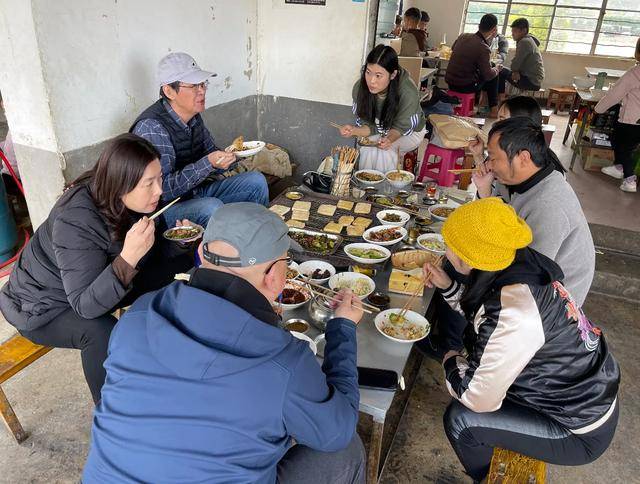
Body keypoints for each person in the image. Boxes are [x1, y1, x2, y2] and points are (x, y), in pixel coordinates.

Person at [82, 203, 366, 484]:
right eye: (285, 261)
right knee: (346, 450)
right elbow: (337, 432)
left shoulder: (140, 312)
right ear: (273, 276)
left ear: (200, 253)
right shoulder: (284, 362)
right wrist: (342, 328)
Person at [422, 198, 620, 482]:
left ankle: (490, 478)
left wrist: (451, 359)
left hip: (577, 427)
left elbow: (477, 397)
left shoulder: (516, 310)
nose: (445, 251)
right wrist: (449, 286)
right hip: (580, 394)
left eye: (450, 245)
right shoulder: (519, 266)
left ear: (470, 257)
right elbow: (485, 317)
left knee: (461, 420)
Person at [0, 134, 194, 403]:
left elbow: (150, 259)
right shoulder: (76, 220)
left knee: (179, 266)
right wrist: (128, 258)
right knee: (101, 332)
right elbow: (86, 306)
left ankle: (170, 362)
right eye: (149, 183)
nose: (159, 190)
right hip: (40, 304)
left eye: (159, 178)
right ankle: (111, 416)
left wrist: (179, 244)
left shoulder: (133, 200)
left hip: (92, 283)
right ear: (121, 183)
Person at [131, 52, 269, 228]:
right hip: (162, 210)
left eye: (203, 84)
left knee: (256, 181)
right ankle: (228, 243)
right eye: (194, 86)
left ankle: (260, 235)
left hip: (194, 192)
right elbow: (163, 190)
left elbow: (212, 154)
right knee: (212, 208)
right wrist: (208, 163)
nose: (202, 91)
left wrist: (234, 155)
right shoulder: (152, 128)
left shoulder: (193, 117)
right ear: (169, 91)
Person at [472, 118, 594, 307]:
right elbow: (499, 218)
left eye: (494, 158)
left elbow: (527, 275)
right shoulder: (530, 179)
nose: (490, 165)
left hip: (552, 305)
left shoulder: (549, 206)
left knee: (463, 284)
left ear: (523, 158)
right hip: (530, 278)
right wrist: (484, 189)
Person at [339, 45, 426, 173]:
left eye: (378, 75)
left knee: (385, 151)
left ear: (393, 74)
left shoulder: (408, 92)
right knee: (368, 148)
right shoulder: (360, 88)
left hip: (409, 132)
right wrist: (353, 130)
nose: (371, 81)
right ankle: (366, 183)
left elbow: (401, 128)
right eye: (368, 72)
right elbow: (369, 125)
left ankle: (384, 185)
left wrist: (389, 140)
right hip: (380, 127)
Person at [595, 37, 640, 193]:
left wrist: (598, 109)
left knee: (623, 147)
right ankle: (619, 167)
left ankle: (629, 180)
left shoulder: (634, 73)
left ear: (637, 52)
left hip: (632, 120)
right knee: (626, 146)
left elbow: (614, 95)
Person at [446, 14, 501, 117]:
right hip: (465, 85)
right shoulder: (483, 47)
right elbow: (488, 75)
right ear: (494, 29)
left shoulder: (463, 36)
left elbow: (453, 48)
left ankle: (479, 104)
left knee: (490, 69)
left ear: (479, 25)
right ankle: (493, 109)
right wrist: (497, 69)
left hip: (450, 82)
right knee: (494, 74)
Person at [498, 18, 545, 97]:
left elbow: (515, 65)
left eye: (515, 31)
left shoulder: (524, 42)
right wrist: (515, 71)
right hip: (535, 79)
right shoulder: (530, 39)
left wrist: (515, 71)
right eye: (512, 31)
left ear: (524, 30)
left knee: (499, 70)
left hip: (531, 81)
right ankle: (503, 98)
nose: (512, 34)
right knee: (503, 70)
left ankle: (501, 99)